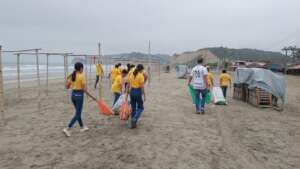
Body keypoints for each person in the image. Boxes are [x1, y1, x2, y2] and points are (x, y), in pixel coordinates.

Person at [63, 62, 97, 137]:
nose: (83, 70)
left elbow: (67, 87)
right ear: (81, 68)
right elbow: (84, 89)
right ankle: (67, 128)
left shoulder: (72, 75)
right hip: (79, 96)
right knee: (78, 114)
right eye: (83, 68)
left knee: (78, 113)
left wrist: (68, 79)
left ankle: (82, 127)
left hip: (73, 96)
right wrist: (92, 97)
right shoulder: (82, 76)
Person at [127, 64, 146, 128]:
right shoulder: (140, 76)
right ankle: (134, 118)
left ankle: (133, 124)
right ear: (141, 69)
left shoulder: (131, 74)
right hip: (137, 91)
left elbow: (128, 84)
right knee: (141, 107)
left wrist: (127, 93)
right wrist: (144, 95)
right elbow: (142, 87)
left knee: (133, 108)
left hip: (131, 91)